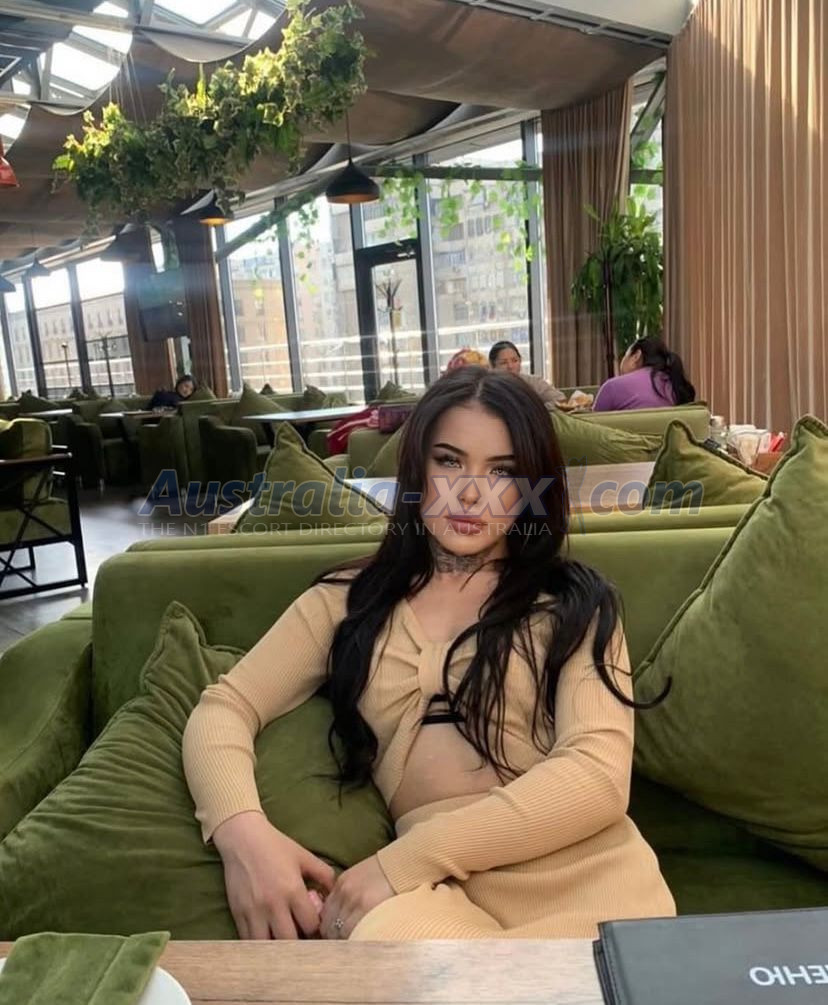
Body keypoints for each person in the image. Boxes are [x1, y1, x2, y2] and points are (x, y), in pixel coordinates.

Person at [182, 366, 675, 940]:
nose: (470, 493)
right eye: (449, 461)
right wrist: (243, 836)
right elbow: (226, 707)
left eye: (503, 471)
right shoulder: (345, 602)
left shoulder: (575, 603)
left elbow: (598, 776)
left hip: (588, 876)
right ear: (416, 469)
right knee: (391, 953)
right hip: (432, 901)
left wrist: (401, 863)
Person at [593, 337, 696, 412]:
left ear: (636, 356)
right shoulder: (675, 387)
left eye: (625, 355)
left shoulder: (612, 387)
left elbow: (591, 428)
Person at [488, 340, 564, 405]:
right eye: (503, 363)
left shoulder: (534, 382)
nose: (510, 366)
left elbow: (560, 400)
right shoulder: (488, 388)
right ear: (492, 366)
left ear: (520, 361)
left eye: (515, 360)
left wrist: (537, 410)